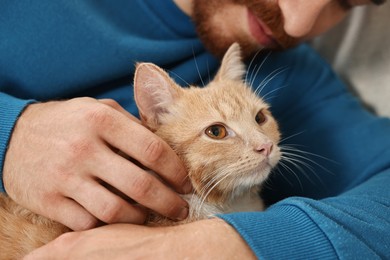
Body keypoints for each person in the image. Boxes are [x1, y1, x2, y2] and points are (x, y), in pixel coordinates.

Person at [0, 0, 388, 258]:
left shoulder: (282, 67)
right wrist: (10, 130)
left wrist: (222, 244)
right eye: (218, 132)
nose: (299, 22)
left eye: (345, 0)